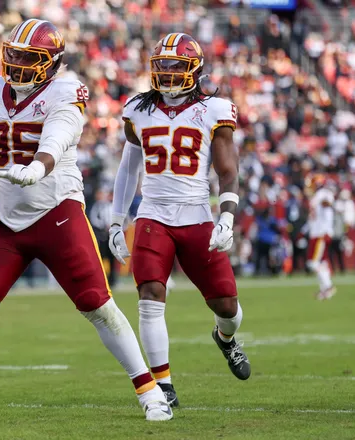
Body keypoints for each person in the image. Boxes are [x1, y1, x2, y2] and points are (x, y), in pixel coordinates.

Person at [0, 19, 171, 421]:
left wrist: (37, 169)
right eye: (14, 53)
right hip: (5, 215)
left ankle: (150, 393)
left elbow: (57, 138)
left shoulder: (65, 92)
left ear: (52, 63)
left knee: (97, 304)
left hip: (55, 209)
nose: (18, 62)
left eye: (30, 57)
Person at [109, 33, 251, 409]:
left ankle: (225, 338)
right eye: (163, 67)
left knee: (228, 307)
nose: (169, 74)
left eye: (177, 67)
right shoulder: (137, 110)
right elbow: (128, 168)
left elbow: (228, 171)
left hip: (196, 216)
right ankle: (163, 386)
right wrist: (115, 221)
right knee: (150, 296)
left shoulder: (214, 109)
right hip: (153, 215)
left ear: (195, 70)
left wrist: (227, 218)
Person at [305, 174, 336, 300]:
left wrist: (324, 203)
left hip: (321, 233)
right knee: (321, 262)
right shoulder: (315, 197)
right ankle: (325, 289)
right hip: (316, 232)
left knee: (313, 263)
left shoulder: (324, 193)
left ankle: (328, 286)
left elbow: (328, 203)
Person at [87, 189, 117, 288]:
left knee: (112, 259)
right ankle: (101, 279)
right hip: (103, 235)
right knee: (101, 257)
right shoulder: (100, 206)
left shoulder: (116, 207)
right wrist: (104, 226)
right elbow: (94, 219)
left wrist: (114, 226)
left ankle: (112, 280)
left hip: (113, 235)